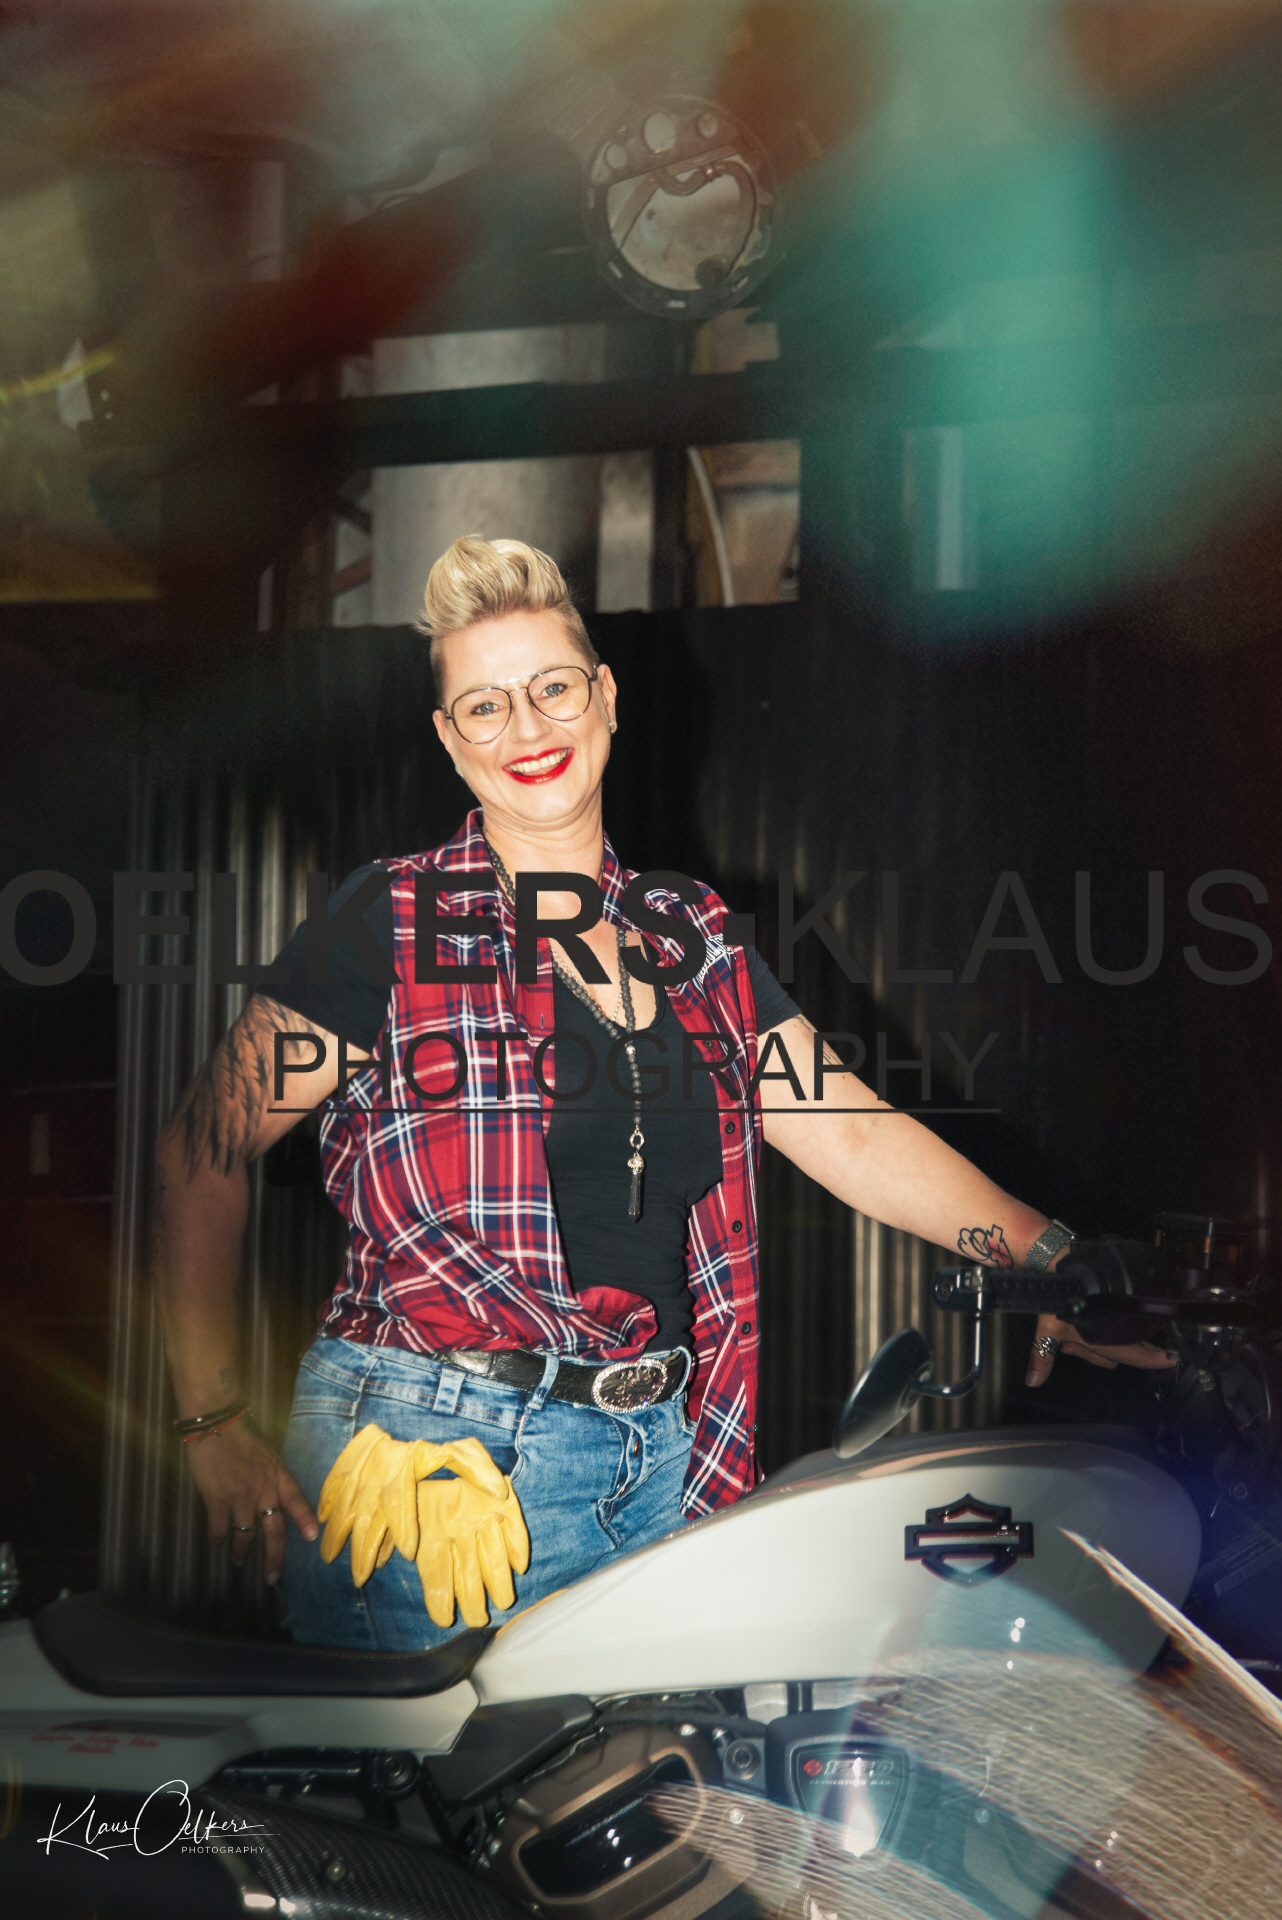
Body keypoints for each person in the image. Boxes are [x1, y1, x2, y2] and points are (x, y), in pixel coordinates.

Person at [153, 536, 1176, 1649]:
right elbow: (202, 1149)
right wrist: (210, 1423)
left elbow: (848, 1130)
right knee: (439, 1768)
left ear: (605, 698)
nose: (528, 728)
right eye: (486, 707)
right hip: (436, 1460)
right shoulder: (389, 922)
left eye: (552, 688)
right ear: (450, 741)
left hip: (663, 1454)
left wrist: (1054, 1259)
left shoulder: (691, 941)